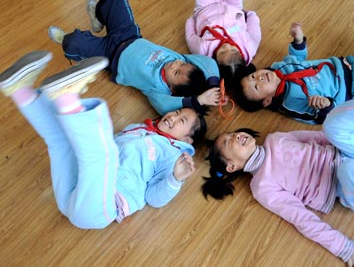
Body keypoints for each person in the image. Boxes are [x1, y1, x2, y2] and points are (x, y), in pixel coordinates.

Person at [202, 55, 354, 265]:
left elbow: (320, 137)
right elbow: (301, 218)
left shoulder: (275, 139)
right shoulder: (262, 186)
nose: (237, 136)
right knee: (349, 170)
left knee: (330, 124)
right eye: (229, 142)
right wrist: (344, 247)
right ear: (231, 166)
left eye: (234, 133)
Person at [0, 51, 207, 229]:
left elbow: (154, 198)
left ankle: (66, 97)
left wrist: (175, 179)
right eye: (177, 112)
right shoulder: (140, 128)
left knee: (103, 155)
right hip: (77, 187)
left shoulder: (173, 157)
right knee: (61, 142)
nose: (173, 116)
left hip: (103, 206)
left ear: (187, 140)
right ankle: (21, 90)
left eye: (181, 120)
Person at [48, 0, 222, 116]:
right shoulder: (179, 58)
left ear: (172, 90)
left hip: (109, 56)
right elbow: (209, 63)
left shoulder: (158, 90)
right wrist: (213, 86)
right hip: (128, 34)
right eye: (181, 63)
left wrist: (198, 101)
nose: (175, 64)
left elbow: (165, 107)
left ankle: (70, 44)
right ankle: (98, 19)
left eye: (176, 72)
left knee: (72, 42)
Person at [185, 0, 261, 85]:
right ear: (241, 55)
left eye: (223, 52)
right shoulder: (249, 47)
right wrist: (251, 14)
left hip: (205, 7)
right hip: (233, 6)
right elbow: (255, 31)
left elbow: (190, 36)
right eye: (234, 49)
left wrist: (191, 20)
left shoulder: (202, 50)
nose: (227, 46)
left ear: (215, 60)